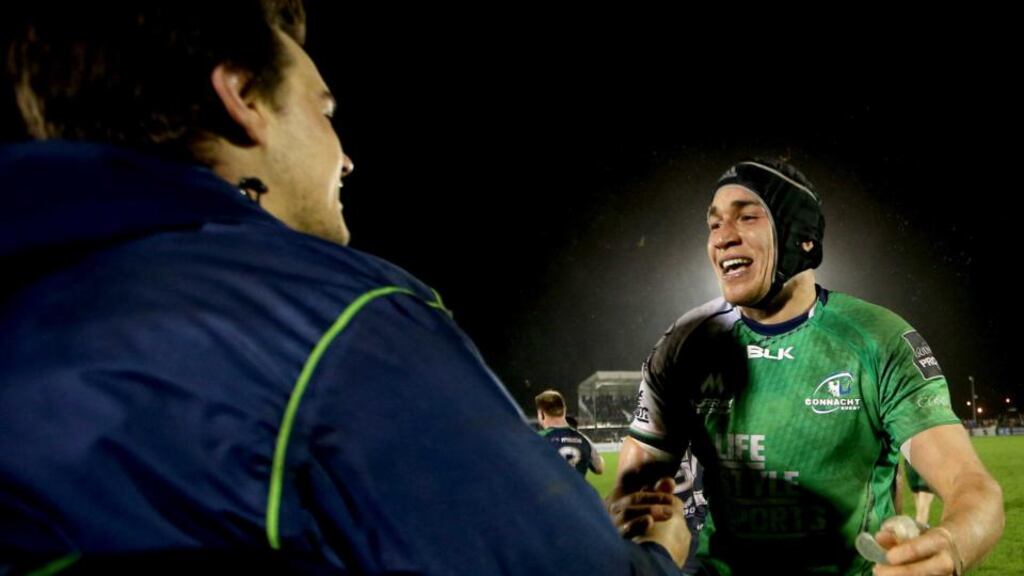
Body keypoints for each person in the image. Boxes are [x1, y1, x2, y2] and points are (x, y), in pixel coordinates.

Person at [0, 2, 690, 573]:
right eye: (323, 110)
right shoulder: (333, 319)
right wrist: (657, 555)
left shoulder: (28, 304)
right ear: (243, 98)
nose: (346, 155)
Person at [609, 159, 1004, 575]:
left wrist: (952, 543)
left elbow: (971, 485)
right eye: (714, 224)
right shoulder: (683, 345)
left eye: (747, 216)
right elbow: (633, 488)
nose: (722, 238)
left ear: (804, 238)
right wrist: (617, 512)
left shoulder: (880, 339)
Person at [535, 390, 605, 476]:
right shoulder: (585, 440)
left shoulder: (536, 439)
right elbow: (599, 468)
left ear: (541, 414)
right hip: (576, 485)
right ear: (564, 410)